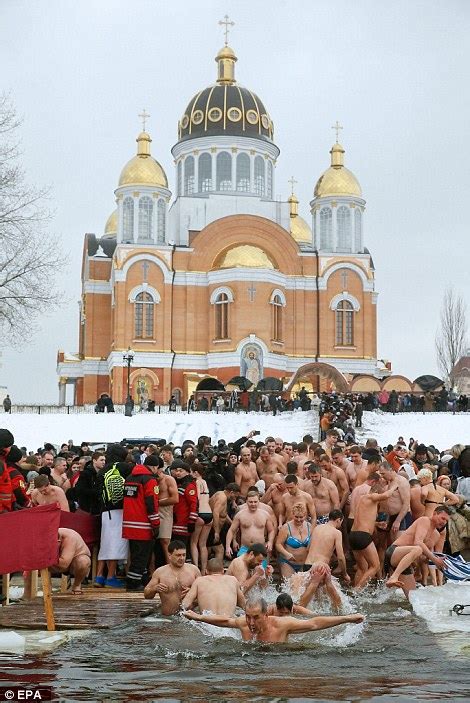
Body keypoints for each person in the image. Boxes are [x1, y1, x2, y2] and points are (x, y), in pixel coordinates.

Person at [184, 597, 363, 643]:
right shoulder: (243, 623)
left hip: (280, 659)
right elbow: (225, 621)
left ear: (266, 615)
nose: (251, 623)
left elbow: (314, 623)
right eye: (248, 617)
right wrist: (199, 617)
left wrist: (347, 618)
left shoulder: (282, 625)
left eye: (256, 618)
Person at [385, 506, 451, 597]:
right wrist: (435, 559)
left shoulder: (436, 535)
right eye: (442, 518)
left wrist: (436, 562)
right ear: (434, 513)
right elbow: (418, 542)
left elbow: (421, 557)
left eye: (446, 521)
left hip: (405, 563)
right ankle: (394, 577)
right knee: (418, 548)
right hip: (394, 552)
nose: (444, 522)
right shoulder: (424, 520)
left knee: (414, 598)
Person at [349, 473, 399, 589]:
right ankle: (357, 591)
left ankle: (355, 592)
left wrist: (376, 524)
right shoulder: (370, 496)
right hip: (362, 536)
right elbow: (386, 495)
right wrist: (394, 486)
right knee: (375, 566)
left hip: (353, 535)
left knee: (362, 568)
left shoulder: (362, 501)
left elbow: (362, 519)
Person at [298, 510, 349, 610]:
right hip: (320, 568)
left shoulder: (317, 528)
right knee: (328, 600)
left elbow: (308, 548)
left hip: (308, 564)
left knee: (309, 599)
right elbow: (341, 557)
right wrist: (345, 574)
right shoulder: (337, 533)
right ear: (339, 520)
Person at [122, 459, 160, 591]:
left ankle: (142, 579)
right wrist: (155, 523)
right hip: (143, 524)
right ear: (154, 467)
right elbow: (151, 502)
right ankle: (133, 583)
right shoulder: (150, 480)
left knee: (136, 554)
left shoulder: (129, 477)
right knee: (142, 555)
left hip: (129, 523)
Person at [144, 540, 200, 614]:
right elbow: (147, 595)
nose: (182, 558)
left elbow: (206, 595)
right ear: (169, 556)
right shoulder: (160, 572)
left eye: (184, 555)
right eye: (178, 555)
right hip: (168, 619)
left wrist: (192, 593)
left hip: (189, 618)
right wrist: (155, 588)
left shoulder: (194, 570)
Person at [225, 490, 275, 559]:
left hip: (260, 549)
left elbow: (271, 530)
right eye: (251, 502)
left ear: (259, 502)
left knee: (260, 569)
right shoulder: (240, 514)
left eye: (255, 502)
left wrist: (270, 542)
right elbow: (231, 530)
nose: (253, 504)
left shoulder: (265, 514)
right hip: (245, 549)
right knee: (242, 569)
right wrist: (228, 546)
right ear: (246, 502)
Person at [147, 455, 178, 564]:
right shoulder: (149, 479)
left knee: (165, 542)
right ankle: (151, 570)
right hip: (152, 512)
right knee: (150, 543)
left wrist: (157, 503)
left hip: (165, 513)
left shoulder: (168, 479)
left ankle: (170, 567)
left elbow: (175, 499)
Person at [275, 503, 312, 577]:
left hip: (304, 563)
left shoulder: (309, 526)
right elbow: (278, 544)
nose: (298, 520)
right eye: (296, 517)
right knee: (289, 586)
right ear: (292, 514)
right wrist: (287, 554)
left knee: (302, 587)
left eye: (301, 517)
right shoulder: (286, 527)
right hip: (288, 563)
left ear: (305, 515)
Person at [52, 527, 91, 595]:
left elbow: (64, 565)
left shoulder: (70, 537)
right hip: (55, 562)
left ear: (58, 541)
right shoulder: (47, 536)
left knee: (83, 561)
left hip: (73, 562)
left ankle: (77, 584)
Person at [190, 464, 212, 574]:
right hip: (209, 513)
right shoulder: (205, 482)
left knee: (194, 542)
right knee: (203, 544)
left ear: (196, 472)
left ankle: (195, 569)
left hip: (200, 513)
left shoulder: (197, 483)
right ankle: (204, 569)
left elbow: (197, 498)